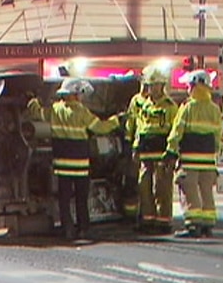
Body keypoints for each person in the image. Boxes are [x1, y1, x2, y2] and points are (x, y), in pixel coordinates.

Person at [28, 77, 120, 240]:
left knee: (64, 198)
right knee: (81, 199)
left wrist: (32, 100)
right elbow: (100, 128)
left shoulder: (55, 110)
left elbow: (38, 112)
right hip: (80, 164)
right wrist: (116, 120)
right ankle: (83, 228)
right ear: (74, 95)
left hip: (62, 164)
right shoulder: (81, 112)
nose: (81, 97)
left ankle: (67, 228)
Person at [164, 69, 222, 238]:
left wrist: (170, 150)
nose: (187, 88)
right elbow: (218, 136)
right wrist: (214, 157)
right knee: (206, 192)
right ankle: (207, 225)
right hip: (208, 161)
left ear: (194, 86)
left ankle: (193, 225)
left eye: (189, 85)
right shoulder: (215, 109)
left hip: (189, 160)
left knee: (189, 191)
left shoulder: (187, 107)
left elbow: (177, 131)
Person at [126, 66, 178, 234]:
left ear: (161, 86)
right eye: (149, 85)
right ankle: (147, 221)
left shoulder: (170, 107)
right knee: (144, 187)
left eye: (154, 85)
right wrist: (135, 147)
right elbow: (140, 128)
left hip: (162, 155)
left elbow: (175, 132)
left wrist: (172, 153)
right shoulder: (144, 105)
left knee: (162, 189)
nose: (151, 89)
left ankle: (164, 222)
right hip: (145, 154)